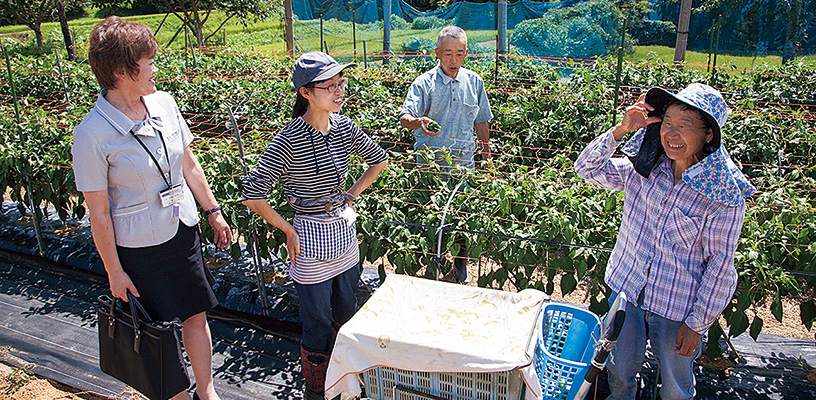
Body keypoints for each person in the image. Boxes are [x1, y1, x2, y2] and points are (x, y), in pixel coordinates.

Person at [71, 17, 232, 400]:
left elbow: (187, 163)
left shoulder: (164, 103)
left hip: (181, 230)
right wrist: (114, 271)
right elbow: (99, 213)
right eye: (148, 63)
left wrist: (212, 211)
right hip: (139, 248)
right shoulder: (92, 134)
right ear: (120, 72)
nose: (156, 69)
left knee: (196, 314)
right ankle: (174, 394)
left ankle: (205, 391)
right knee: (155, 328)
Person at [574, 83, 756, 400]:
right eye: (668, 123)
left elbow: (720, 265)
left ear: (709, 135)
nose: (672, 133)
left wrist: (698, 324)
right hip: (627, 290)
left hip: (678, 307)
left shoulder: (721, 195)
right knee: (618, 371)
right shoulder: (645, 168)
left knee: (675, 386)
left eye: (684, 126)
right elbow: (586, 169)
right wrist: (621, 130)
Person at [241, 52, 388, 400]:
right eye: (330, 86)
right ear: (305, 92)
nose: (340, 92)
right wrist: (287, 230)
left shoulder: (344, 128)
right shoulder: (288, 140)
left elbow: (378, 159)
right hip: (309, 237)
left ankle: (348, 382)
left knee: (347, 309)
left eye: (342, 84)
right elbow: (252, 193)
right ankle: (318, 388)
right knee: (318, 320)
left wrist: (351, 193)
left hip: (341, 231)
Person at [398, 26, 493, 283]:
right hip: (431, 164)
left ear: (466, 54)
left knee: (463, 214)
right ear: (437, 54)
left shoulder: (474, 82)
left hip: (464, 163)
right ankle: (434, 264)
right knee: (432, 215)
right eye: (448, 53)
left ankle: (460, 266)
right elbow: (404, 117)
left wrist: (485, 155)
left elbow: (481, 120)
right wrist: (418, 122)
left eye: (459, 53)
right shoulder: (424, 83)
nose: (454, 60)